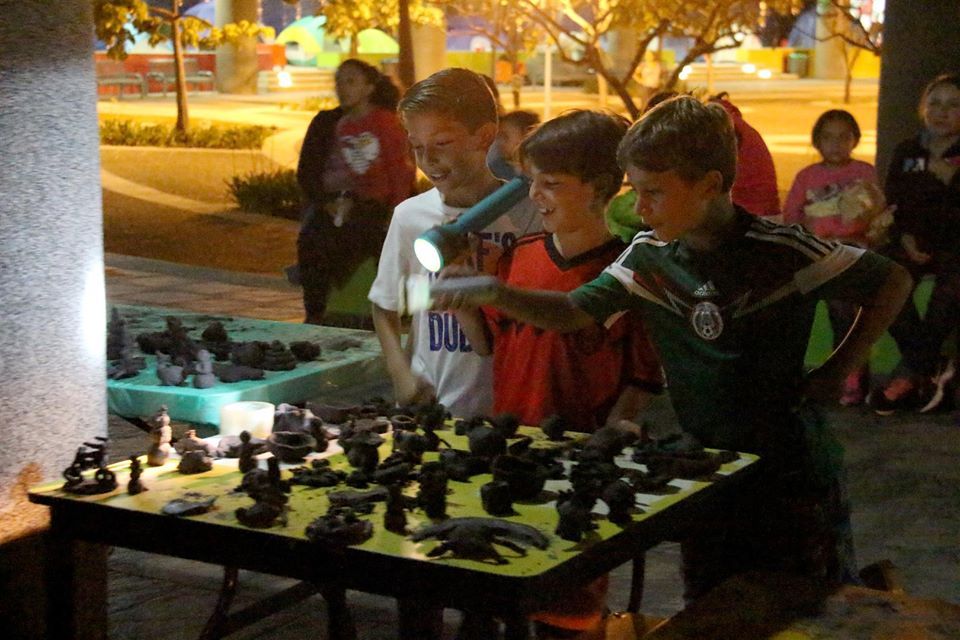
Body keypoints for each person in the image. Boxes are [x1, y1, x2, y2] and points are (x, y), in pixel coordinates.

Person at [444, 95, 912, 620]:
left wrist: (838, 368)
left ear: (709, 184)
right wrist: (495, 292)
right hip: (704, 471)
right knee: (709, 610)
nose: (640, 209)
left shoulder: (782, 250)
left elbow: (891, 281)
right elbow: (574, 311)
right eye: (636, 191)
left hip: (791, 475)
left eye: (655, 192)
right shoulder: (650, 256)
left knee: (802, 611)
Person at [452, 109, 663, 433]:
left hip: (581, 444)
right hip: (511, 437)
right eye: (531, 181)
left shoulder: (625, 272)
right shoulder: (517, 257)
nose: (534, 194)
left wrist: (615, 427)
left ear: (599, 186)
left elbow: (643, 378)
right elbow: (486, 345)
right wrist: (461, 295)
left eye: (551, 183)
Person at [368, 68, 539, 418]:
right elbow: (387, 304)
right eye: (417, 147)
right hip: (434, 402)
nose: (427, 159)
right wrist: (402, 377)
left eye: (442, 143)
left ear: (484, 136)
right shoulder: (410, 217)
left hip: (510, 407)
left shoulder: (530, 215)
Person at [296, 59, 415, 324]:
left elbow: (399, 173)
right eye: (338, 81)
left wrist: (393, 213)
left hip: (376, 207)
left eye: (350, 81)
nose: (342, 88)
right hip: (339, 204)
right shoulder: (335, 124)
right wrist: (330, 201)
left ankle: (364, 311)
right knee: (314, 241)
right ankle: (318, 313)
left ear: (369, 88)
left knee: (359, 237)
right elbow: (311, 173)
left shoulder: (386, 123)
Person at [784, 109, 891, 406]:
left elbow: (876, 214)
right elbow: (792, 217)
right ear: (817, 141)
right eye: (828, 137)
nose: (836, 144)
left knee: (846, 307)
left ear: (855, 140)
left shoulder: (864, 172)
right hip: (818, 253)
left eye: (844, 137)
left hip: (855, 251)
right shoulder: (807, 177)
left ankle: (849, 375)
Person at [872, 73, 960, 415]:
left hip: (954, 245)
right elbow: (894, 201)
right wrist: (905, 237)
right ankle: (931, 364)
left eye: (953, 105)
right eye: (935, 103)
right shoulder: (908, 151)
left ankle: (908, 374)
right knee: (883, 277)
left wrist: (952, 179)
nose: (942, 112)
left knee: (952, 285)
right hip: (912, 241)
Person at [487, 109, 540, 180]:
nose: (500, 143)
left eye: (505, 137)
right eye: (499, 137)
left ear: (526, 135)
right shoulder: (496, 169)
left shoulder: (542, 171)